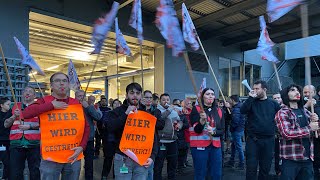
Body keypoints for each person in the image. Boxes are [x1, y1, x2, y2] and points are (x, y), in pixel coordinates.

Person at [21, 72, 90, 179]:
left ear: (68, 85)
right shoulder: (44, 101)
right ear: (51, 86)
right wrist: (51, 105)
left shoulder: (75, 103)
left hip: (73, 155)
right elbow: (26, 113)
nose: (61, 84)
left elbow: (86, 127)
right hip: (50, 158)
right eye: (57, 81)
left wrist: (82, 146)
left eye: (64, 81)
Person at [107, 83, 158, 180]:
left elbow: (153, 137)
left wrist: (152, 156)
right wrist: (126, 114)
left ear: (140, 96)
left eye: (138, 93)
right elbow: (110, 127)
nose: (135, 95)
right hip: (123, 158)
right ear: (126, 95)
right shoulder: (117, 111)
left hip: (142, 158)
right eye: (132, 93)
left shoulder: (146, 114)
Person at [275, 84, 320, 180]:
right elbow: (286, 133)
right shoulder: (282, 113)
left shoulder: (306, 112)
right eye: (292, 90)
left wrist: (317, 122)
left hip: (307, 159)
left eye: (298, 91)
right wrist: (309, 128)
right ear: (286, 95)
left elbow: (316, 134)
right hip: (290, 160)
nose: (297, 92)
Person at [240, 80, 280, 180]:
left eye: (257, 89)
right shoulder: (251, 102)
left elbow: (280, 118)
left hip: (269, 140)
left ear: (264, 89)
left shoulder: (273, 104)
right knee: (251, 168)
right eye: (254, 89)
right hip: (253, 140)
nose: (254, 91)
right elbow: (242, 110)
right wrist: (250, 98)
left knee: (265, 168)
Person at [3, 87, 41, 180]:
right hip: (16, 145)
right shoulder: (14, 107)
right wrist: (13, 116)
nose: (27, 93)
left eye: (30, 92)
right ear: (22, 94)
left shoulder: (39, 107)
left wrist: (30, 127)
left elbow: (45, 124)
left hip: (34, 144)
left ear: (34, 95)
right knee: (15, 172)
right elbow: (5, 124)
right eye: (25, 91)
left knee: (35, 172)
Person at [189, 88, 225, 180]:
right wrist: (201, 121)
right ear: (203, 96)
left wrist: (214, 132)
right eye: (207, 94)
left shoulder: (219, 110)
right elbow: (196, 130)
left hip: (215, 146)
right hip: (199, 146)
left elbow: (222, 130)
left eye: (212, 94)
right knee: (200, 173)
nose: (210, 96)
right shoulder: (196, 109)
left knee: (216, 173)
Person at [154, 93, 186, 180]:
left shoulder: (174, 111)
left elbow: (180, 121)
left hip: (173, 141)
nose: (166, 101)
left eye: (167, 100)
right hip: (161, 142)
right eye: (163, 100)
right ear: (160, 101)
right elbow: (160, 118)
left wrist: (179, 125)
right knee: (159, 165)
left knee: (172, 164)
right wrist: (169, 110)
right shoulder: (158, 110)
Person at [75, 90, 102, 180]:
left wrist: (88, 107)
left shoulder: (89, 107)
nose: (81, 98)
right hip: (75, 139)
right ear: (75, 97)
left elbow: (98, 117)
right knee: (74, 163)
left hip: (89, 139)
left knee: (89, 163)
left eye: (83, 96)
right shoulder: (72, 106)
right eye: (79, 96)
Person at [143, 90, 165, 180]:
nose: (148, 99)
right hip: (139, 142)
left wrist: (150, 120)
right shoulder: (139, 110)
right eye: (146, 97)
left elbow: (161, 125)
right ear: (142, 98)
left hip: (152, 142)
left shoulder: (156, 111)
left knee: (149, 169)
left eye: (150, 97)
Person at [101, 99, 121, 179]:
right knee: (108, 159)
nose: (116, 105)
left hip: (119, 141)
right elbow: (105, 124)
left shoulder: (123, 114)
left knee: (118, 160)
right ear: (112, 105)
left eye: (118, 103)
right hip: (110, 140)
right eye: (115, 103)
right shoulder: (109, 113)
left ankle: (115, 176)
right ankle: (104, 175)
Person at [225, 95, 245, 170]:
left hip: (236, 130)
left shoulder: (236, 109)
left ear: (233, 100)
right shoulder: (239, 107)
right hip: (239, 129)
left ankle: (241, 163)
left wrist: (231, 127)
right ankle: (232, 160)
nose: (228, 101)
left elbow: (235, 121)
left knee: (239, 147)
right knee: (234, 146)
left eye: (229, 100)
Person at [0, 97, 17, 180]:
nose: (9, 106)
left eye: (10, 104)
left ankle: (7, 177)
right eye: (7, 104)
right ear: (1, 105)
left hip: (10, 140)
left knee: (11, 162)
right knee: (6, 161)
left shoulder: (11, 113)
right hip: (1, 142)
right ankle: (5, 177)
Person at [272, 92, 283, 176]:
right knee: (277, 153)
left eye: (278, 98)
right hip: (276, 135)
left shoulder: (286, 108)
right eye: (275, 98)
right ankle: (278, 170)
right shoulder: (271, 109)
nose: (277, 100)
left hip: (286, 136)